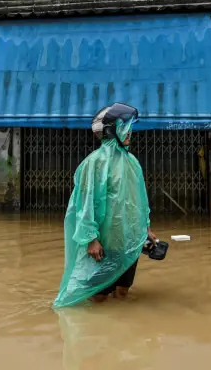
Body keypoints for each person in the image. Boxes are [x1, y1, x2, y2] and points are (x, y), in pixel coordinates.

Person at [53, 103, 157, 308]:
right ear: (111, 131)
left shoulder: (132, 162)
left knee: (123, 290)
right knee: (98, 296)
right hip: (104, 242)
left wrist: (146, 228)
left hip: (128, 240)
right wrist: (91, 239)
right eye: (125, 128)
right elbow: (84, 204)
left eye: (130, 128)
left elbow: (140, 200)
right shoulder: (94, 163)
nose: (130, 132)